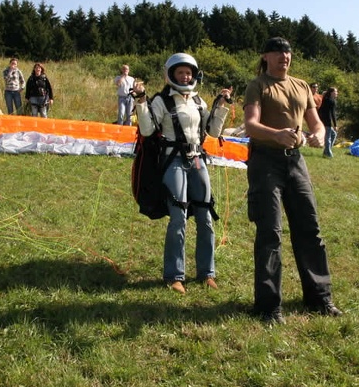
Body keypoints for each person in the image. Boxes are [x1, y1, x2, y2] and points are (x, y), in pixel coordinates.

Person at [243, 37, 342, 324]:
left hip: (295, 161)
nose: (284, 56)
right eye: (277, 52)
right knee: (270, 233)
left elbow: (316, 122)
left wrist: (319, 135)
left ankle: (320, 298)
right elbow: (251, 125)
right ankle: (268, 306)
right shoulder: (258, 85)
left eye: (287, 52)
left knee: (310, 228)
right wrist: (275, 134)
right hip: (265, 161)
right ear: (266, 56)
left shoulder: (301, 86)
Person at [132, 53, 232, 294]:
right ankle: (174, 275)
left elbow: (213, 131)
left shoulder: (199, 102)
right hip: (172, 161)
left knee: (206, 216)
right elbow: (147, 128)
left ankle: (207, 272)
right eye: (180, 73)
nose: (185, 76)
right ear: (171, 75)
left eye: (188, 73)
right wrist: (141, 101)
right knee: (178, 216)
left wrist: (221, 106)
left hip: (197, 160)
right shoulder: (161, 101)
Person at [318, 87, 338, 158]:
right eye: (335, 92)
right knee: (328, 138)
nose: (336, 93)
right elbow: (333, 114)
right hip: (326, 121)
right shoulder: (331, 101)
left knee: (333, 134)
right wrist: (335, 125)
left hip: (321, 120)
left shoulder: (325, 99)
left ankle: (326, 151)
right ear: (331, 93)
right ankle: (329, 154)